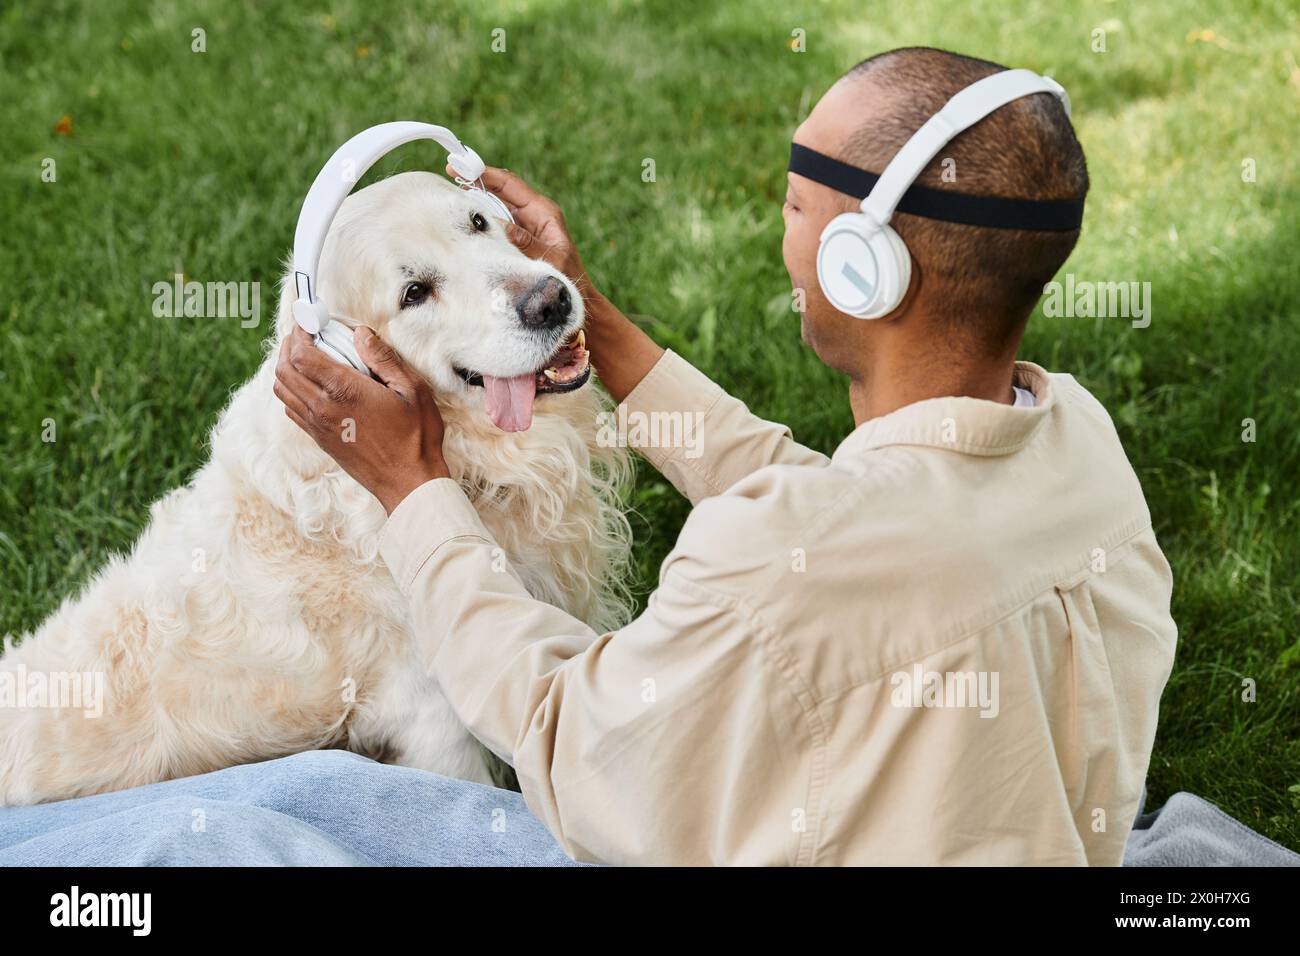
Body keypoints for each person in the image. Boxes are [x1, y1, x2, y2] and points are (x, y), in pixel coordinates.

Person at [272, 46, 1176, 866]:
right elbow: (833, 509)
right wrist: (590, 310)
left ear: (867, 267)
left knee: (272, 809)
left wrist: (414, 488)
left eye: (794, 205)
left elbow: (565, 742)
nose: (779, 229)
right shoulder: (1079, 441)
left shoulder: (765, 573)